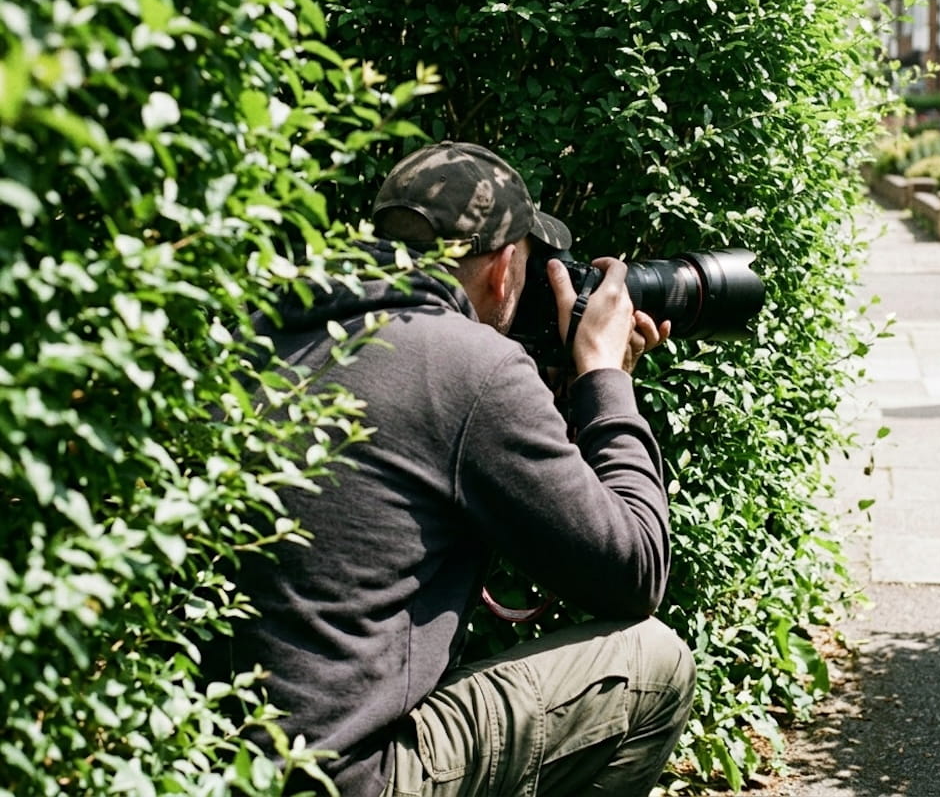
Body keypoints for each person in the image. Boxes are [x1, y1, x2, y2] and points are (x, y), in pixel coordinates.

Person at [203, 141, 696, 797]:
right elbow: (633, 571)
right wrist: (604, 375)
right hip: (351, 780)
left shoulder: (265, 334)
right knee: (654, 663)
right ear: (502, 271)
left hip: (211, 769)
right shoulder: (470, 366)